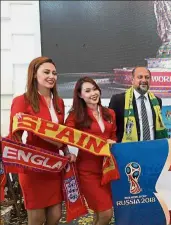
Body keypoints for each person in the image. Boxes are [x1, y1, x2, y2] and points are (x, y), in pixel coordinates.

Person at [8, 56, 74, 225]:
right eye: (46, 72)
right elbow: (14, 137)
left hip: (54, 165)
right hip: (33, 166)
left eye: (54, 73)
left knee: (56, 215)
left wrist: (66, 152)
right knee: (36, 219)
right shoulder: (21, 101)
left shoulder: (58, 102)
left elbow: (62, 135)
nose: (51, 76)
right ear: (34, 75)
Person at [65, 77, 117, 225]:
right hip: (87, 171)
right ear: (80, 95)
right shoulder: (76, 115)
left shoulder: (110, 113)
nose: (93, 93)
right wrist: (69, 152)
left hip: (108, 169)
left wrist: (112, 142)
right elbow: (64, 135)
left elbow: (113, 135)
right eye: (87, 91)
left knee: (99, 214)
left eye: (95, 89)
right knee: (106, 213)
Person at [109, 66, 167, 142]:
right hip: (128, 150)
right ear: (132, 80)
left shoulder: (157, 101)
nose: (144, 80)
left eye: (147, 77)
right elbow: (110, 128)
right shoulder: (118, 100)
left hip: (152, 148)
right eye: (140, 77)